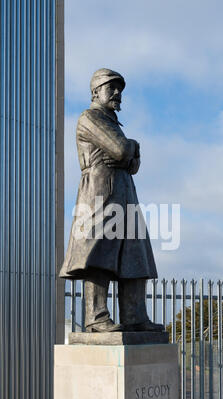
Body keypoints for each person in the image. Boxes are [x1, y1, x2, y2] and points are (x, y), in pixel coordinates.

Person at [60, 68, 164, 333]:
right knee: (99, 253)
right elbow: (120, 150)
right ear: (96, 92)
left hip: (125, 192)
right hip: (98, 193)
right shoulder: (90, 117)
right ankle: (96, 318)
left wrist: (131, 148)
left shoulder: (113, 122)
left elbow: (132, 164)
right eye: (112, 88)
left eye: (120, 89)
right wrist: (130, 147)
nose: (118, 94)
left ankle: (135, 317)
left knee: (135, 256)